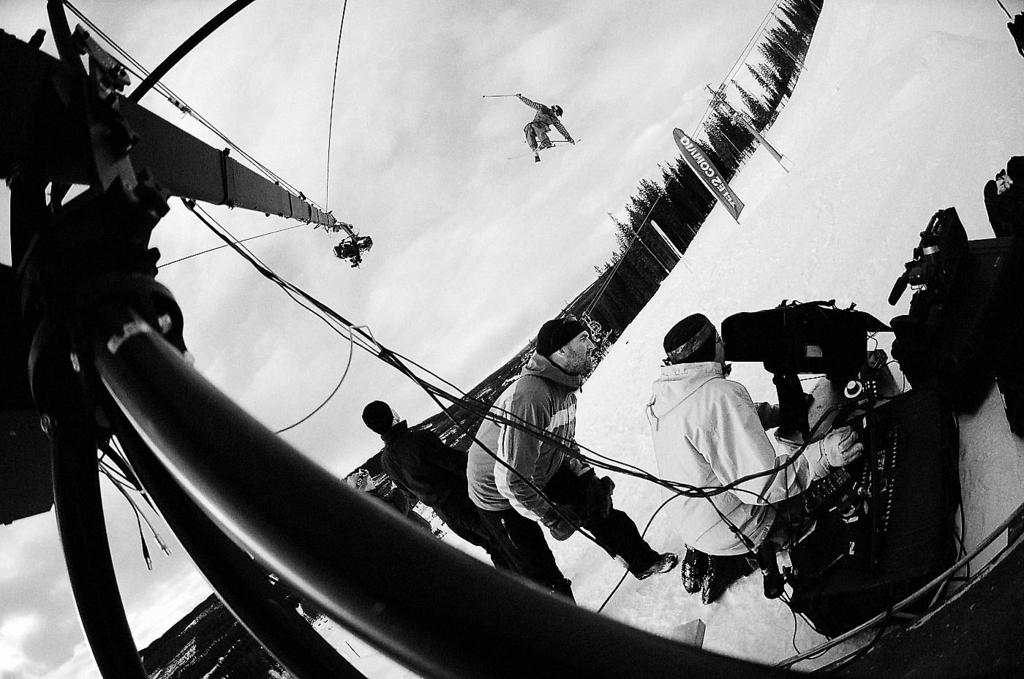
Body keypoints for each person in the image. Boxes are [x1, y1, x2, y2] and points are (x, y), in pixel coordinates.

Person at [646, 313, 864, 602]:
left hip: (695, 522)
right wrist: (824, 454)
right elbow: (763, 486)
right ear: (711, 347)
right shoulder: (717, 396)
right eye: (719, 339)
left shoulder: (668, 393)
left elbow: (717, 429)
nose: (724, 344)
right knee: (834, 481)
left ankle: (722, 554)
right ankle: (751, 553)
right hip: (737, 524)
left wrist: (773, 414)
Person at [467, 317, 678, 601]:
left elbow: (563, 442)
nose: (592, 344)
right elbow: (511, 479)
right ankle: (566, 621)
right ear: (561, 351)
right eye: (583, 339)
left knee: (599, 508)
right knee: (537, 566)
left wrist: (586, 477)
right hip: (496, 492)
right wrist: (551, 515)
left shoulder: (564, 387)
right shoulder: (532, 396)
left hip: (540, 466)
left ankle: (643, 562)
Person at [361, 401, 511, 569]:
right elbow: (459, 465)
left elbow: (406, 490)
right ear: (392, 415)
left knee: (494, 548)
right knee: (507, 543)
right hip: (467, 502)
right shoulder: (419, 440)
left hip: (446, 515)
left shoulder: (386, 461)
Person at [516, 93, 574, 163]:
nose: (557, 116)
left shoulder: (554, 120)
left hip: (542, 128)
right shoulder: (542, 108)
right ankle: (534, 148)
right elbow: (531, 103)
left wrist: (568, 138)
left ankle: (545, 142)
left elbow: (561, 129)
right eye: (557, 114)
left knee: (535, 126)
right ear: (554, 110)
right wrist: (521, 98)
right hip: (534, 127)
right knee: (527, 127)